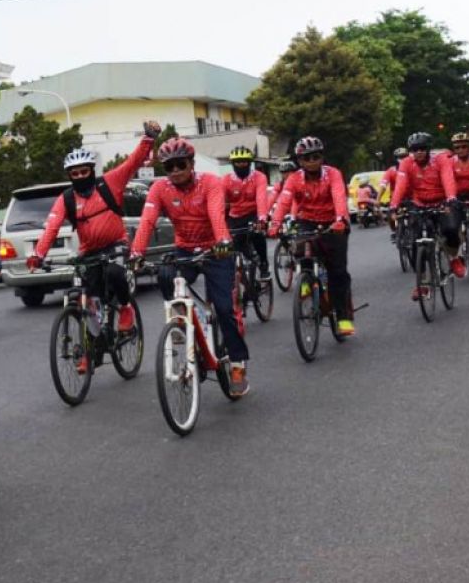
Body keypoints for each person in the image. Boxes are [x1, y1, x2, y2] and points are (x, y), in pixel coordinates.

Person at [131, 137, 249, 397]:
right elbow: (147, 220)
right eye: (169, 167)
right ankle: (182, 322)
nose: (175, 171)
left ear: (191, 163)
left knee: (225, 308)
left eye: (180, 165)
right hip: (184, 248)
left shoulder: (210, 183)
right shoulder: (160, 189)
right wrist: (137, 252)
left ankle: (238, 364)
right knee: (164, 274)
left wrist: (223, 241)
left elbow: (217, 215)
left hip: (216, 249)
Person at [26, 120, 160, 344]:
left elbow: (132, 163)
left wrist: (149, 138)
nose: (79, 176)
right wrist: (38, 255)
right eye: (74, 173)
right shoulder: (66, 198)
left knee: (115, 274)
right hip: (89, 252)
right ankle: (91, 350)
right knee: (90, 299)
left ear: (91, 171)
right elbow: (51, 227)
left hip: (115, 244)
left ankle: (126, 308)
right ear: (70, 175)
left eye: (83, 172)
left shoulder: (109, 183)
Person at [268, 136, 356, 336]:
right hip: (306, 221)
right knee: (300, 250)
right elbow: (284, 201)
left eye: (316, 156)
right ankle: (306, 280)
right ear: (300, 161)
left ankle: (342, 316)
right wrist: (275, 223)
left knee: (338, 271)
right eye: (307, 158)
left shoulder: (333, 174)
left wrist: (341, 219)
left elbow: (338, 196)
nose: (312, 161)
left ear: (322, 157)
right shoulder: (294, 179)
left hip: (334, 222)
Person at [388, 131, 465, 286]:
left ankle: (454, 257)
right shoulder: (406, 163)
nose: (419, 152)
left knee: (450, 229)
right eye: (415, 150)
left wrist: (451, 198)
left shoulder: (440, 159)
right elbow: (400, 186)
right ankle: (422, 283)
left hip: (442, 201)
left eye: (422, 149)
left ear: (428, 149)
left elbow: (448, 178)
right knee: (416, 241)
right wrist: (393, 206)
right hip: (420, 203)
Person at [222, 145, 270, 279]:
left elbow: (261, 199)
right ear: (232, 164)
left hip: (253, 214)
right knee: (234, 247)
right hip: (234, 216)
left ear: (249, 163)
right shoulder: (226, 180)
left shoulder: (259, 177)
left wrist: (262, 219)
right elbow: (220, 204)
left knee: (257, 235)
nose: (241, 164)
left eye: (244, 161)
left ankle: (264, 263)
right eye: (238, 162)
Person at [381, 147, 408, 237]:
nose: (402, 159)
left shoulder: (413, 168)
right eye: (400, 157)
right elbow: (383, 185)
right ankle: (395, 230)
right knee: (391, 216)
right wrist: (378, 199)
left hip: (411, 198)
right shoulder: (391, 171)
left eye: (404, 157)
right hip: (395, 200)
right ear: (395, 159)